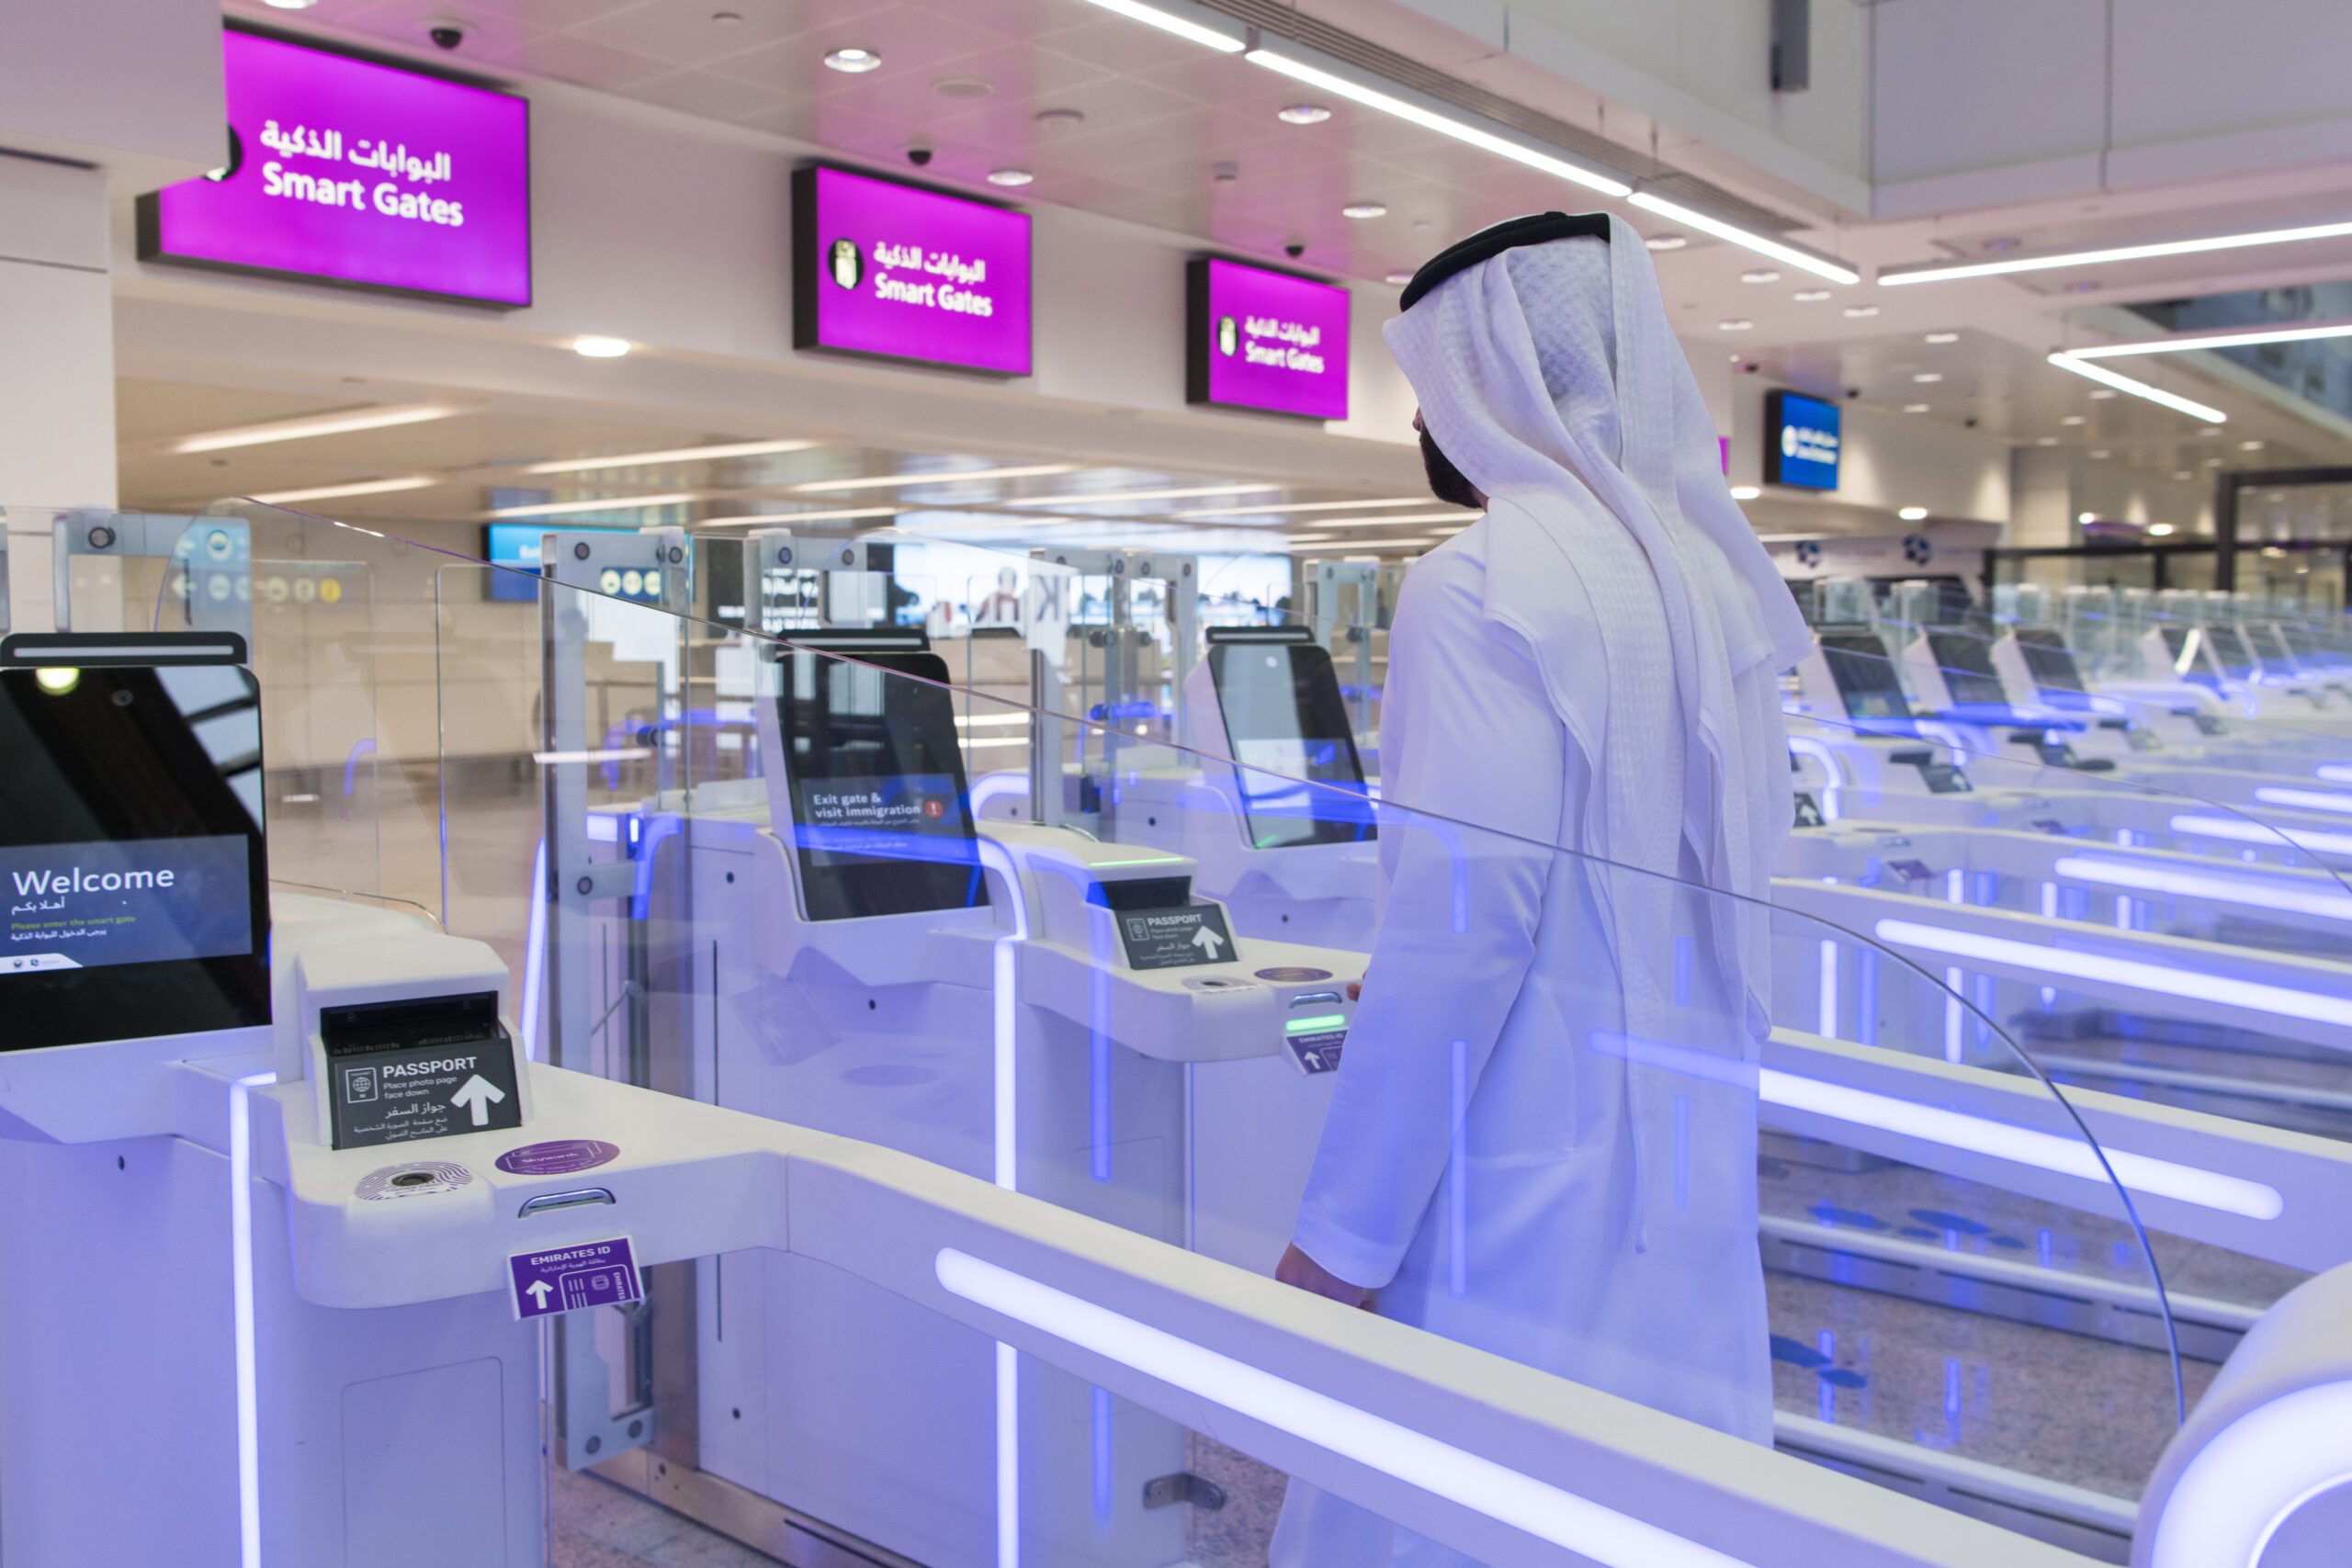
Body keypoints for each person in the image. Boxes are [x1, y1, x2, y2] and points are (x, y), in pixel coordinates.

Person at [1269, 213, 1814, 1566]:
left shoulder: (1485, 580)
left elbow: (1464, 932)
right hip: (1686, 1155)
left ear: (1488, 383)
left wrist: (1340, 1238)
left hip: (1520, 1170)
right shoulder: (1712, 583)